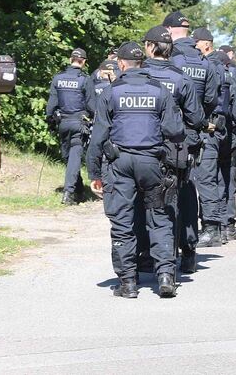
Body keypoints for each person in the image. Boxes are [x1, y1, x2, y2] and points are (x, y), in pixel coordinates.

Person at [86, 42, 184, 299]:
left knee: (122, 222)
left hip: (120, 164)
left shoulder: (110, 92)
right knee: (159, 217)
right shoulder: (159, 91)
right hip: (152, 163)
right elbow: (176, 131)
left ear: (120, 64)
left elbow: (97, 137)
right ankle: (165, 276)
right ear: (143, 63)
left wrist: (94, 173)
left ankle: (128, 283)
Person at [141, 25, 205, 274]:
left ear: (149, 47)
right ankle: (187, 252)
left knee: (143, 199)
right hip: (175, 148)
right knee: (183, 196)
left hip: (144, 147)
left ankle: (147, 255)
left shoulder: (139, 74)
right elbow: (197, 117)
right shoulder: (181, 78)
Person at [166, 13, 224, 247]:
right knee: (204, 180)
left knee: (173, 184)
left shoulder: (171, 59)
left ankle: (174, 236)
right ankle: (209, 230)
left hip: (174, 132)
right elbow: (212, 98)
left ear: (169, 30)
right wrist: (198, 116)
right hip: (201, 129)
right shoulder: (205, 62)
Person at [205, 46, 236, 241]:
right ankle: (228, 226)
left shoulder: (203, 77)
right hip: (228, 137)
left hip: (208, 135)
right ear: (226, 65)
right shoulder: (230, 79)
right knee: (228, 181)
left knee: (210, 181)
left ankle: (212, 226)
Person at [46, 49, 94, 205]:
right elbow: (92, 105)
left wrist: (50, 120)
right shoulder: (85, 80)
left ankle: (76, 190)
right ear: (84, 62)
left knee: (69, 157)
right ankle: (70, 192)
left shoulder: (57, 78)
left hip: (63, 123)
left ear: (70, 59)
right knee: (73, 158)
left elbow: (51, 105)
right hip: (79, 124)